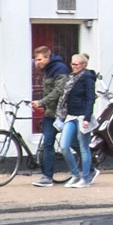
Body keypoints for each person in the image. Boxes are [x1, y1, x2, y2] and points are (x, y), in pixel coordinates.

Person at [32, 46, 71, 187]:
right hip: (50, 113)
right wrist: (44, 105)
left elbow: (59, 91)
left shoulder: (59, 69)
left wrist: (42, 102)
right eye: (36, 60)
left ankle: (88, 169)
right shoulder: (47, 70)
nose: (38, 63)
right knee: (48, 144)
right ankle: (47, 177)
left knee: (73, 144)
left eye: (40, 59)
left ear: (47, 58)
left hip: (61, 114)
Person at [60, 54, 97, 188]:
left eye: (76, 64)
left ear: (83, 65)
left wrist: (87, 118)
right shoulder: (72, 77)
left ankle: (85, 178)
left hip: (82, 116)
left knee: (83, 147)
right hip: (71, 115)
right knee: (64, 146)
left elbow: (90, 98)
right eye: (72, 64)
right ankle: (75, 174)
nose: (73, 67)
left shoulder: (87, 77)